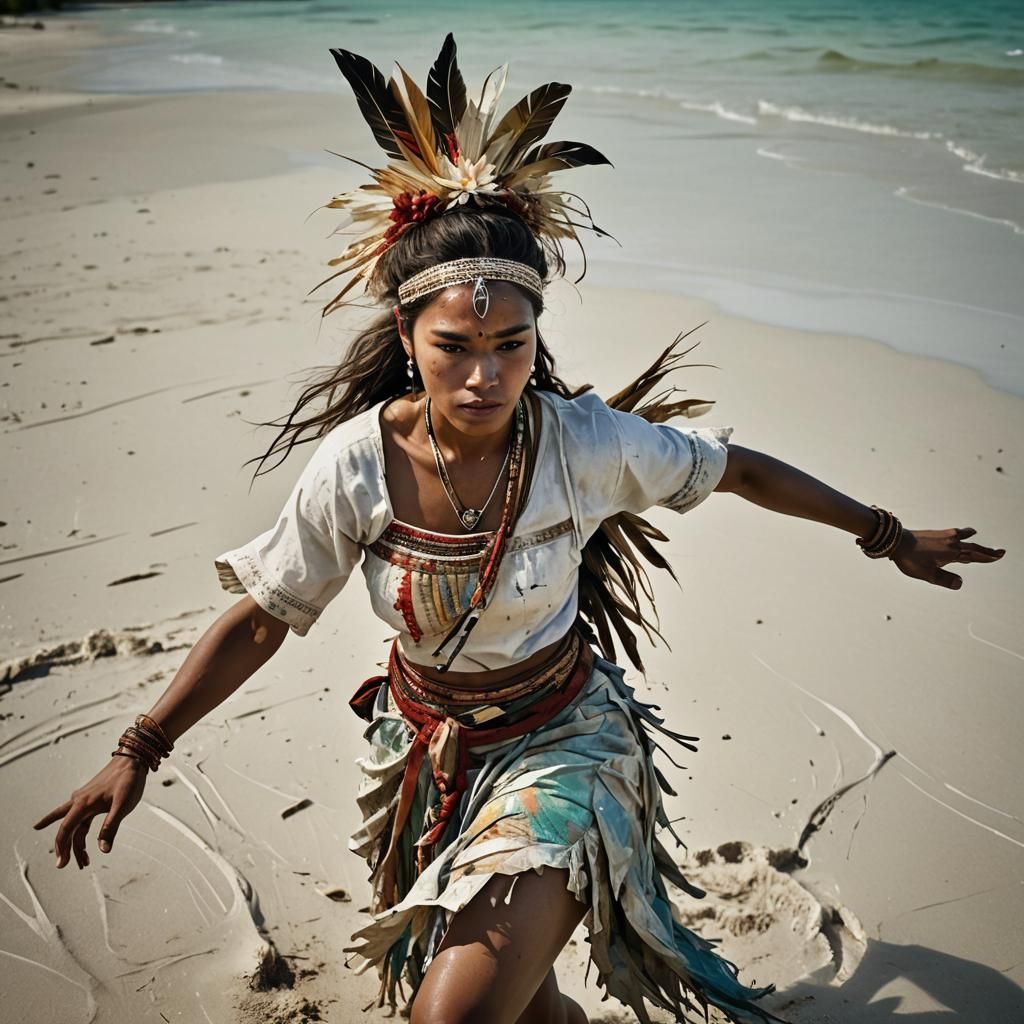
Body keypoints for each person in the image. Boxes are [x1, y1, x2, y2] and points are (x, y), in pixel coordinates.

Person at [34, 35, 1005, 1024]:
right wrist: (139, 746)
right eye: (455, 346)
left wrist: (884, 533)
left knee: (448, 1015)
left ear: (538, 332)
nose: (485, 376)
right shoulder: (355, 464)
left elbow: (737, 467)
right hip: (423, 756)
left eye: (512, 344)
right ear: (406, 338)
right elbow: (265, 615)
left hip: (568, 746)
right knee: (527, 1008)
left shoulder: (582, 444)